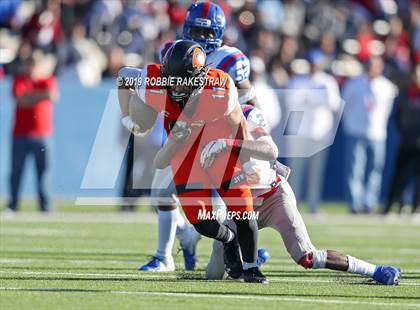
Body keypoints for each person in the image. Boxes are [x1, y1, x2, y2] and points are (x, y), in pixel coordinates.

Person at [201, 104, 401, 285]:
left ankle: (377, 271)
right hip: (241, 203)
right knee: (214, 274)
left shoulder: (248, 114)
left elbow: (270, 150)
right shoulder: (203, 127)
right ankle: (252, 257)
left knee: (306, 256)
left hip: (273, 196)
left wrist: (228, 145)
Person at [118, 40, 266, 283]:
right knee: (200, 221)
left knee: (243, 210)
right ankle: (229, 240)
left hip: (218, 148)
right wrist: (127, 116)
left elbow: (238, 121)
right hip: (184, 153)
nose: (176, 86)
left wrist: (246, 158)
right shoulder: (153, 81)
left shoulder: (220, 87)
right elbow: (124, 77)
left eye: (183, 80)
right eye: (172, 79)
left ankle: (250, 268)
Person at [139, 1, 259, 272]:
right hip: (182, 140)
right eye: (196, 31)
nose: (201, 39)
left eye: (207, 33)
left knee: (233, 204)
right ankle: (178, 245)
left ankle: (236, 250)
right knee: (164, 196)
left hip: (218, 145)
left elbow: (248, 100)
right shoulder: (172, 51)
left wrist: (256, 138)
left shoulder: (232, 59)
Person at [286, 49, 341, 214]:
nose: (313, 67)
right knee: (295, 172)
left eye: (316, 64)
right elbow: (291, 103)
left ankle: (313, 206)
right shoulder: (298, 81)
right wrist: (314, 99)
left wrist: (312, 100)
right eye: (311, 64)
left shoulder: (328, 82)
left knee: (315, 174)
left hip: (319, 134)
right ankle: (290, 206)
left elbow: (334, 104)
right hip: (299, 133)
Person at [342, 56, 398, 214]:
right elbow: (346, 105)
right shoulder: (355, 84)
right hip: (356, 131)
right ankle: (355, 203)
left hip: (378, 133)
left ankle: (370, 202)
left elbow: (387, 109)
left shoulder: (386, 86)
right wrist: (350, 125)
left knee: (375, 169)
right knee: (355, 169)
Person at [7, 52, 59, 213]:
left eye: (35, 63)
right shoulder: (20, 79)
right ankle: (13, 204)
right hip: (21, 134)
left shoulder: (48, 80)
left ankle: (45, 206)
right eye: (30, 63)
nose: (32, 67)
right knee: (16, 171)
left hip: (42, 134)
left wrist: (31, 97)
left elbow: (52, 96)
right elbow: (20, 100)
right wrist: (39, 96)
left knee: (43, 172)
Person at [383, 67, 420, 214]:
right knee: (398, 176)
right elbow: (398, 117)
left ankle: (416, 207)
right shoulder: (405, 94)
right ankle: (390, 206)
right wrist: (404, 132)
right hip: (406, 141)